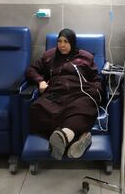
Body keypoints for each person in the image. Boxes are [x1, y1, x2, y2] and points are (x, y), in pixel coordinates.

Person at [25, 28, 102, 160]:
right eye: (59, 41)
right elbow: (31, 70)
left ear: (72, 42)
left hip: (79, 93)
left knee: (84, 108)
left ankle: (64, 137)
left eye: (66, 41)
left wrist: (95, 91)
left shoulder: (85, 57)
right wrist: (40, 81)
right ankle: (78, 137)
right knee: (36, 109)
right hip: (56, 93)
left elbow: (96, 78)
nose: (62, 45)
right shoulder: (49, 56)